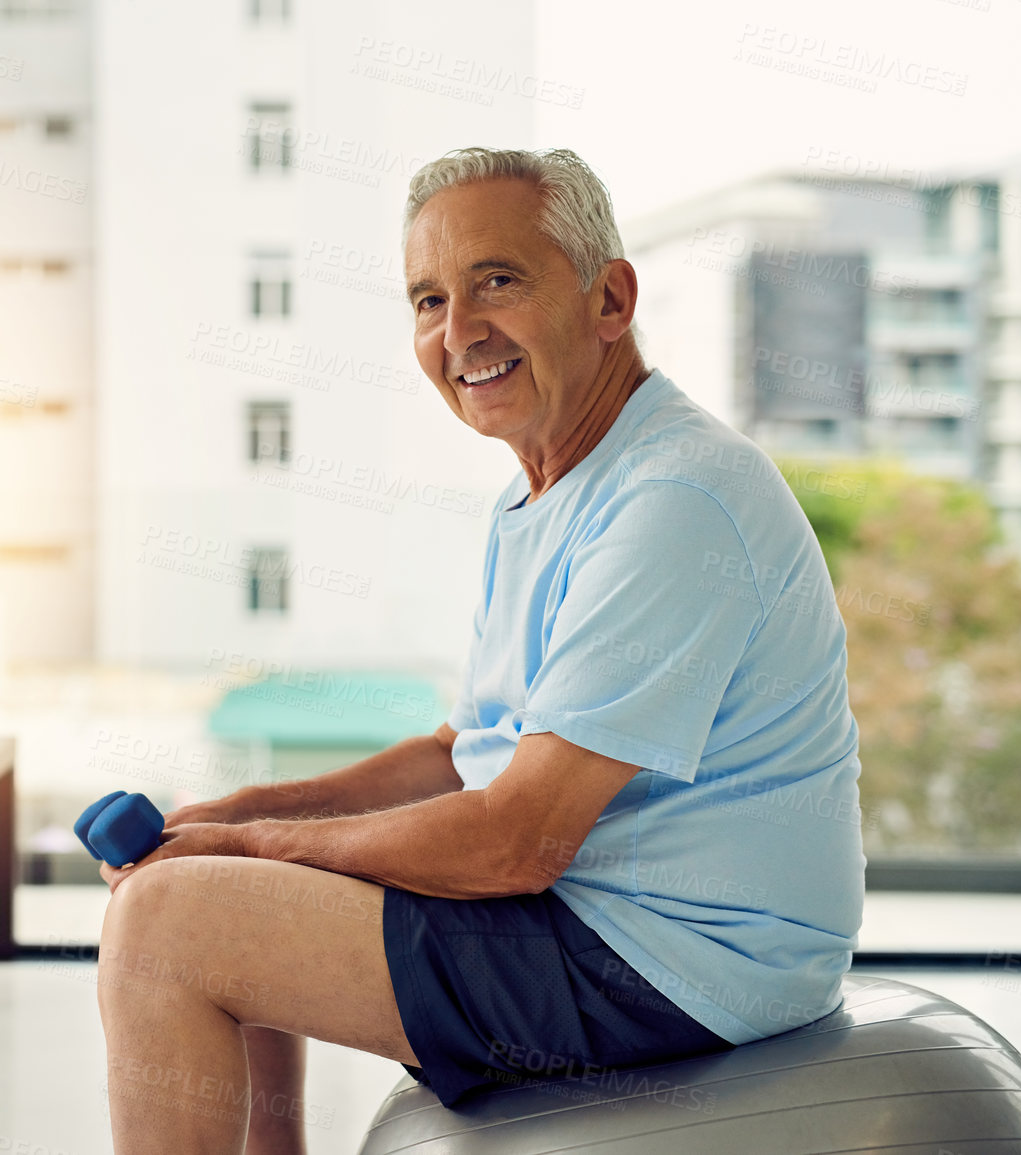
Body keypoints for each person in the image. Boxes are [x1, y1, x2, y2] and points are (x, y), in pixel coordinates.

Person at [95, 146, 865, 1154]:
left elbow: (516, 840)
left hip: (679, 961)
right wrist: (242, 816)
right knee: (212, 895)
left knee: (167, 931)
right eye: (427, 300)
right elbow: (465, 753)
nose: (459, 333)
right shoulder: (543, 491)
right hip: (608, 923)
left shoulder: (673, 500)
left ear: (610, 299)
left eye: (497, 282)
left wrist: (254, 849)